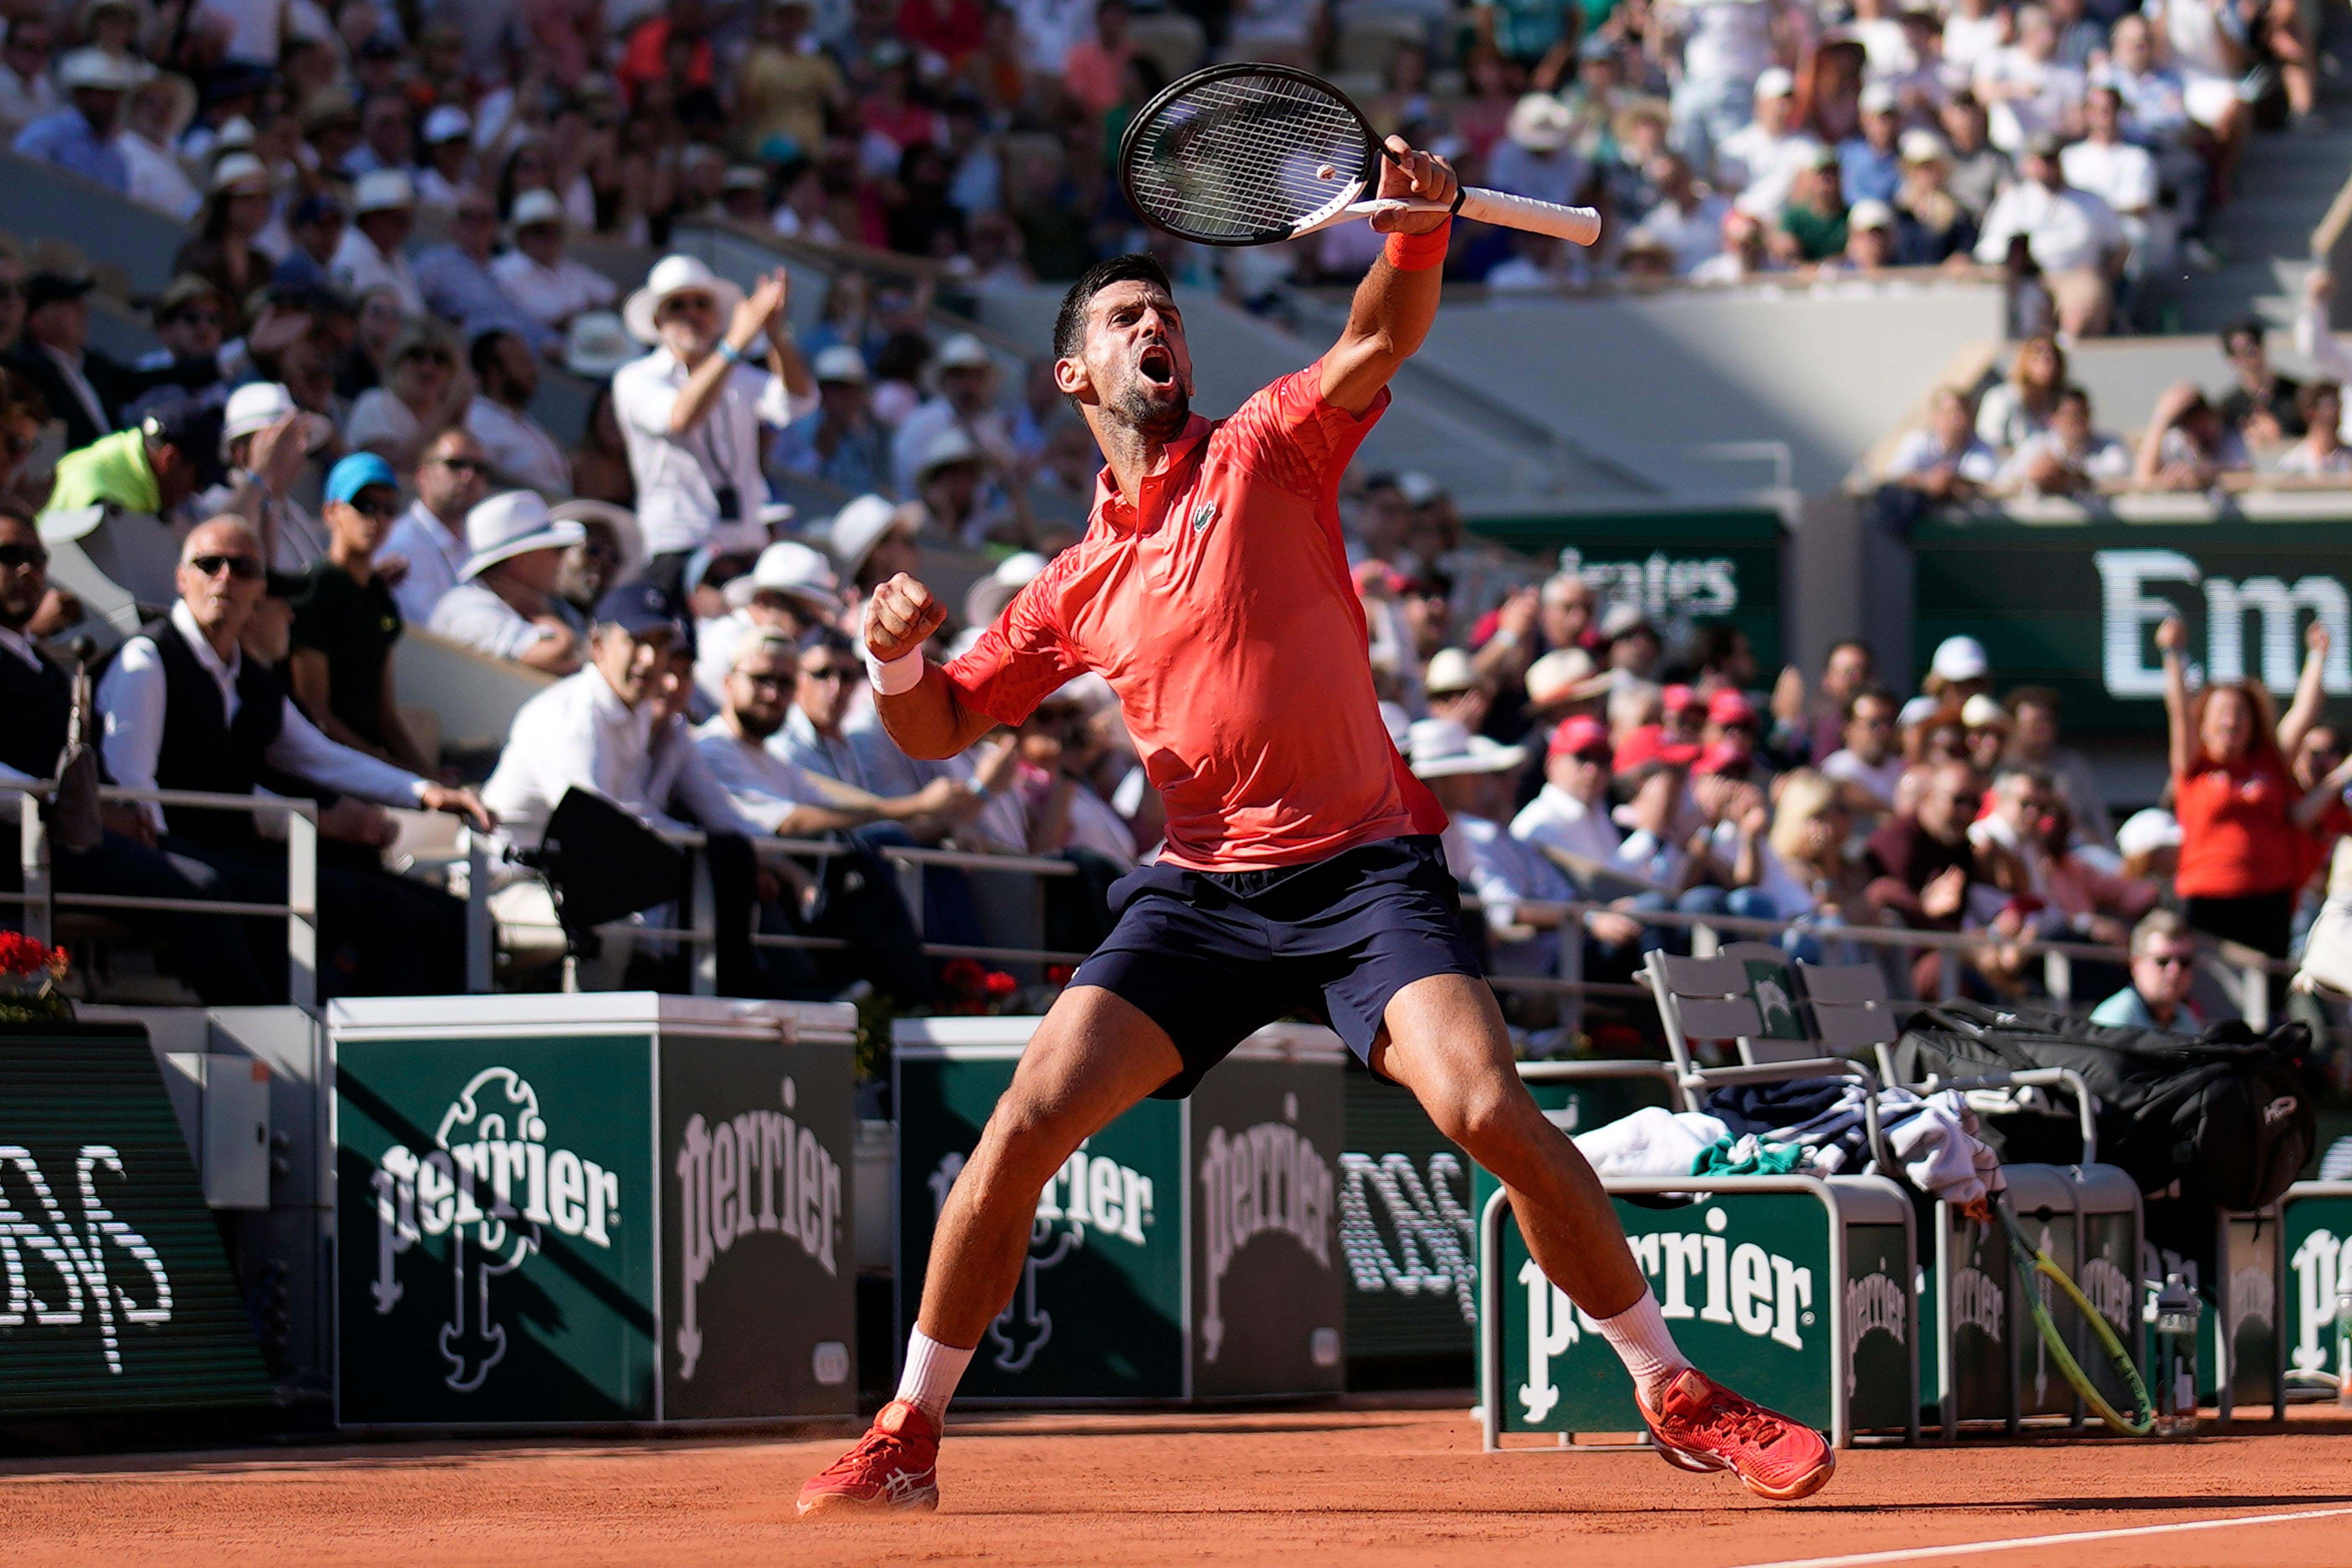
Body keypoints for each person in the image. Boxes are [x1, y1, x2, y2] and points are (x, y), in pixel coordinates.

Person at [799, 151, 1835, 1512]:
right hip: (1198, 899)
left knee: (1481, 1106)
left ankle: (1669, 1386)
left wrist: (1411, 238)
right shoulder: (1068, 583)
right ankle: (908, 1433)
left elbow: (1376, 335)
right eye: (1122, 316)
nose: (1152, 325)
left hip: (1363, 874)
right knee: (1020, 1125)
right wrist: (886, 657)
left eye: (1163, 309)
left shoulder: (1267, 444)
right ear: (1073, 378)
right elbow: (935, 729)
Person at [95, 518, 491, 997]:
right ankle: (298, 1043)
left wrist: (424, 793)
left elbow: (320, 757)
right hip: (175, 854)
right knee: (336, 898)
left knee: (431, 913)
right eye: (209, 564)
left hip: (233, 850)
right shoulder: (149, 659)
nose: (224, 579)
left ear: (259, 588)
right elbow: (132, 788)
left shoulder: (250, 680)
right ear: (183, 579)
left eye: (241, 568)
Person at [0, 511, 280, 1003]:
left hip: (74, 838)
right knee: (202, 890)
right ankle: (273, 1046)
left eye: (36, 558)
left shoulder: (40, 662)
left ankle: (298, 1026)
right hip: (19, 850)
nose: (27, 571)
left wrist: (120, 810)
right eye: (9, 557)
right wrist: (74, 809)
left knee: (269, 888)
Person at [613, 255, 816, 588]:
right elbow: (680, 418)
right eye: (677, 305)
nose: (691, 314)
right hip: (679, 547)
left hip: (744, 546)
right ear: (658, 320)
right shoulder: (635, 377)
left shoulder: (739, 375)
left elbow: (799, 401)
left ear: (716, 316)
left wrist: (775, 336)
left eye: (701, 304)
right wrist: (736, 341)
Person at [2158, 613, 2310, 968]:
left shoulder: (2269, 762)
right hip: (2209, 897)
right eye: (2223, 712)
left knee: (2267, 998)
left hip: (2269, 899)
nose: (2232, 721)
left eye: (2241, 712)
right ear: (2205, 722)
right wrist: (2172, 653)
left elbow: (2303, 713)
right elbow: (2178, 710)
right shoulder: (2194, 766)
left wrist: (2318, 657)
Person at [287, 454, 431, 772]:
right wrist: (384, 768)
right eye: (364, 504)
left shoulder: (381, 600)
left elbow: (385, 717)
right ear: (331, 513)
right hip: (323, 768)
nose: (377, 518)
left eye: (389, 509)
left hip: (367, 764)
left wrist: (427, 776)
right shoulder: (315, 589)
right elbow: (314, 711)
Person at [1972, 134, 2124, 338]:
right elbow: (1989, 251)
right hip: (2029, 280)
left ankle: (2071, 351)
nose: (2048, 166)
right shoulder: (2014, 201)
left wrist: (2103, 274)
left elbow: (2120, 247)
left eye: (2053, 159)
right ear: (2028, 163)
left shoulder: (2090, 202)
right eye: (2042, 159)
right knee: (2018, 300)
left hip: (2075, 277)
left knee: (2088, 294)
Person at [426, 490, 588, 673]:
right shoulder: (466, 607)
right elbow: (556, 653)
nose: (562, 560)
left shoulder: (557, 606)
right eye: (556, 550)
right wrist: (540, 611)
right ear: (522, 561)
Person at [413, 187, 562, 356]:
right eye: (467, 216)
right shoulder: (437, 263)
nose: (476, 223)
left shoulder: (499, 272)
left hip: (525, 351)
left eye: (485, 218)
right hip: (476, 354)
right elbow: (411, 306)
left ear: (495, 228)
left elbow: (523, 320)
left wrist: (554, 342)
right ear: (452, 225)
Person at [380, 428, 493, 626]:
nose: (469, 476)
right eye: (455, 464)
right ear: (423, 475)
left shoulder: (482, 543)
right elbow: (430, 631)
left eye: (479, 469)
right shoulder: (400, 544)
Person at [771, 344, 892, 496]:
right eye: (835, 389)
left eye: (851, 390)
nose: (844, 398)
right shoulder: (795, 425)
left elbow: (869, 484)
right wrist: (820, 453)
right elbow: (784, 479)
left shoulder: (869, 435)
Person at [489, 188, 619, 331]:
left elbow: (614, 296)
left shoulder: (572, 269)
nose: (549, 237)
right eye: (540, 230)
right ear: (521, 235)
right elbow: (531, 321)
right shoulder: (502, 273)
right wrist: (584, 313)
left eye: (555, 230)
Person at [12, 47, 135, 193]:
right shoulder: (48, 135)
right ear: (81, 94)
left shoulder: (116, 161)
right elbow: (19, 184)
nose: (112, 104)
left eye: (116, 97)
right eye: (104, 95)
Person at [465, 327, 572, 495]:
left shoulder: (526, 422)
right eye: (522, 361)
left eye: (530, 361)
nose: (532, 370)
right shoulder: (478, 418)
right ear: (493, 371)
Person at [1999, 384, 2130, 493]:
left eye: (2084, 413)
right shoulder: (2036, 446)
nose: (2079, 422)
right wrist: (2033, 474)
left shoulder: (2109, 445)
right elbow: (2004, 479)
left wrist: (2073, 478)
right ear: (2053, 418)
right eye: (2072, 416)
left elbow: (2122, 478)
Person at [2089, 908, 2205, 1032]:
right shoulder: (2114, 1021)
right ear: (2136, 964)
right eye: (2162, 962)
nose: (2175, 971)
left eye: (2185, 962)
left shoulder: (2186, 1019)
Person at [333, 169, 426, 317]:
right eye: (401, 221)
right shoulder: (347, 252)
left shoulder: (395, 254)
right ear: (374, 218)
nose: (408, 229)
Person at [1883, 386, 1998, 501]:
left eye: (1964, 413)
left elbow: (1986, 484)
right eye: (1952, 413)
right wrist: (1927, 481)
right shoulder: (1918, 442)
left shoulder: (1981, 447)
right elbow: (1896, 477)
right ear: (1936, 416)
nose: (1960, 420)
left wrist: (1951, 482)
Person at [1819, 684, 1905, 814]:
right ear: (1848, 728)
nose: (1883, 731)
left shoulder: (1901, 769)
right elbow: (1840, 787)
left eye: (1889, 722)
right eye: (1874, 723)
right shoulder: (1836, 767)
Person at [2277, 383, 2352, 477]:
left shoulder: (2349, 459)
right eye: (2331, 405)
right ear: (2311, 413)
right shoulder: (2293, 464)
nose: (2337, 411)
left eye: (2338, 404)